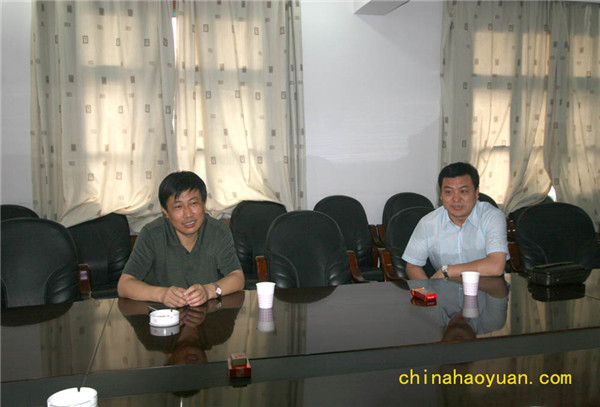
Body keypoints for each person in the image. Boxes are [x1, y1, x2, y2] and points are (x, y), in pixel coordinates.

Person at [118, 171, 244, 307]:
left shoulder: (218, 231)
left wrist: (208, 291)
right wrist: (162, 294)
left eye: (193, 203)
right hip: (163, 315)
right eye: (178, 206)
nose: (188, 214)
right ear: (165, 211)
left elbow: (237, 277)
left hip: (210, 313)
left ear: (204, 204)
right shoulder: (152, 234)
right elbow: (124, 285)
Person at [402, 162, 508, 280]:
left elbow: (496, 266)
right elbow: (413, 266)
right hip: (446, 289)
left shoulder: (492, 217)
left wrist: (448, 271)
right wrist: (427, 289)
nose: (456, 199)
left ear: (476, 192)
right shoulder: (428, 223)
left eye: (463, 191)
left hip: (488, 287)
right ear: (441, 195)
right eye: (448, 192)